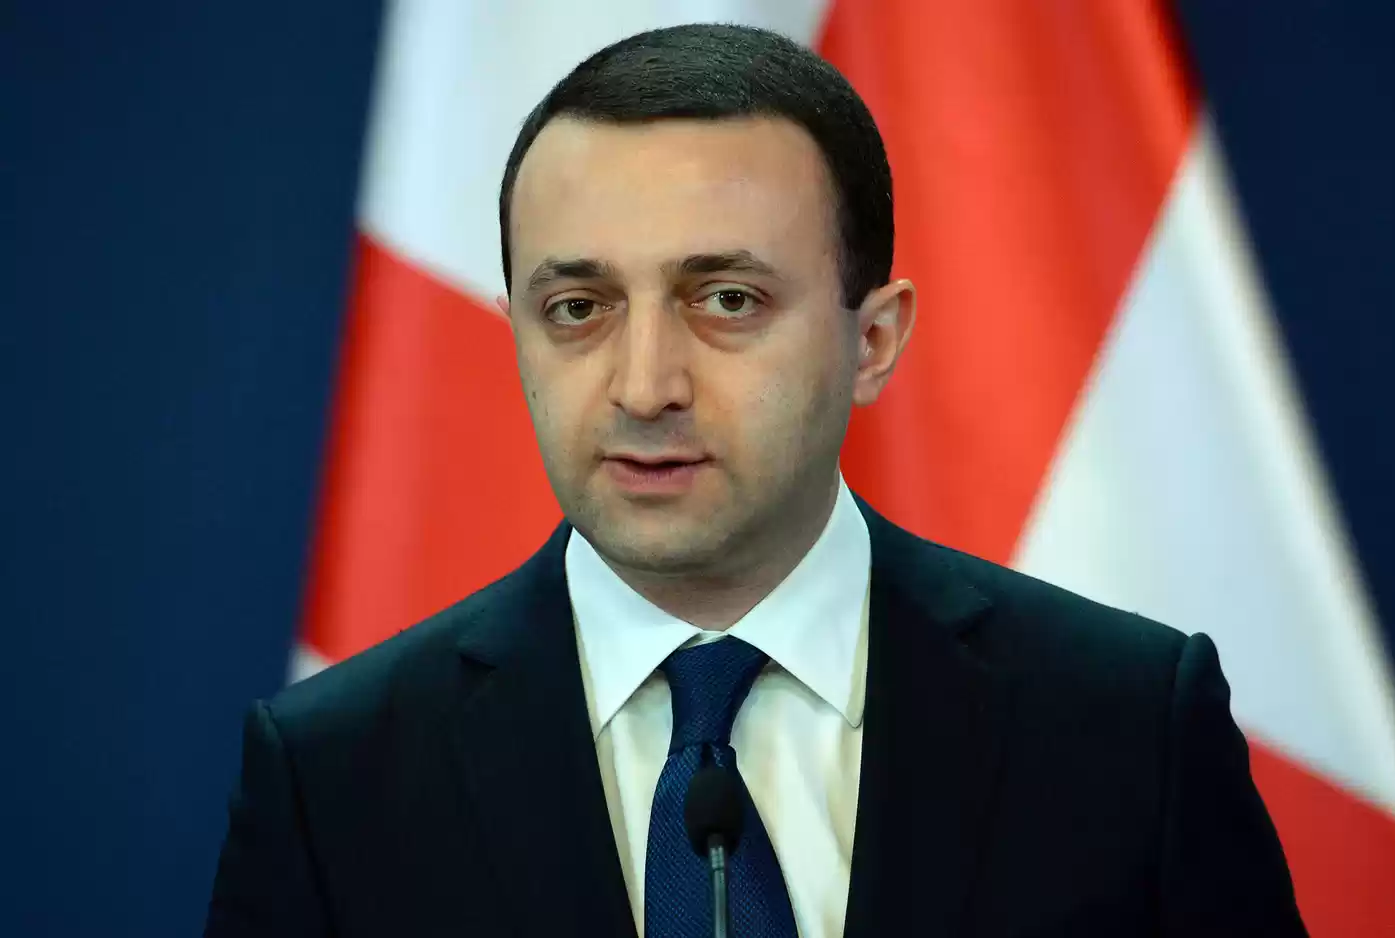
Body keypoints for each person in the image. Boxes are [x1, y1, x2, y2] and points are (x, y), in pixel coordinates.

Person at [205, 23, 1306, 938]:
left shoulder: (1127, 728)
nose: (644, 386)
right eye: (577, 309)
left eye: (726, 299)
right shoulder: (332, 779)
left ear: (873, 340)